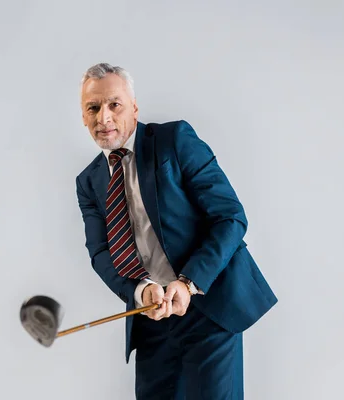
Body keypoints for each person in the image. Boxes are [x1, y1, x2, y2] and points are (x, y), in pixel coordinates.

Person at [75, 62, 278, 399]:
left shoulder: (175, 139)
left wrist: (188, 283)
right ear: (83, 117)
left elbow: (231, 217)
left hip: (208, 306)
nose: (104, 117)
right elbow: (100, 254)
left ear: (135, 107)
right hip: (151, 319)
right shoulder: (88, 182)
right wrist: (141, 292)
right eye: (93, 108)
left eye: (115, 104)